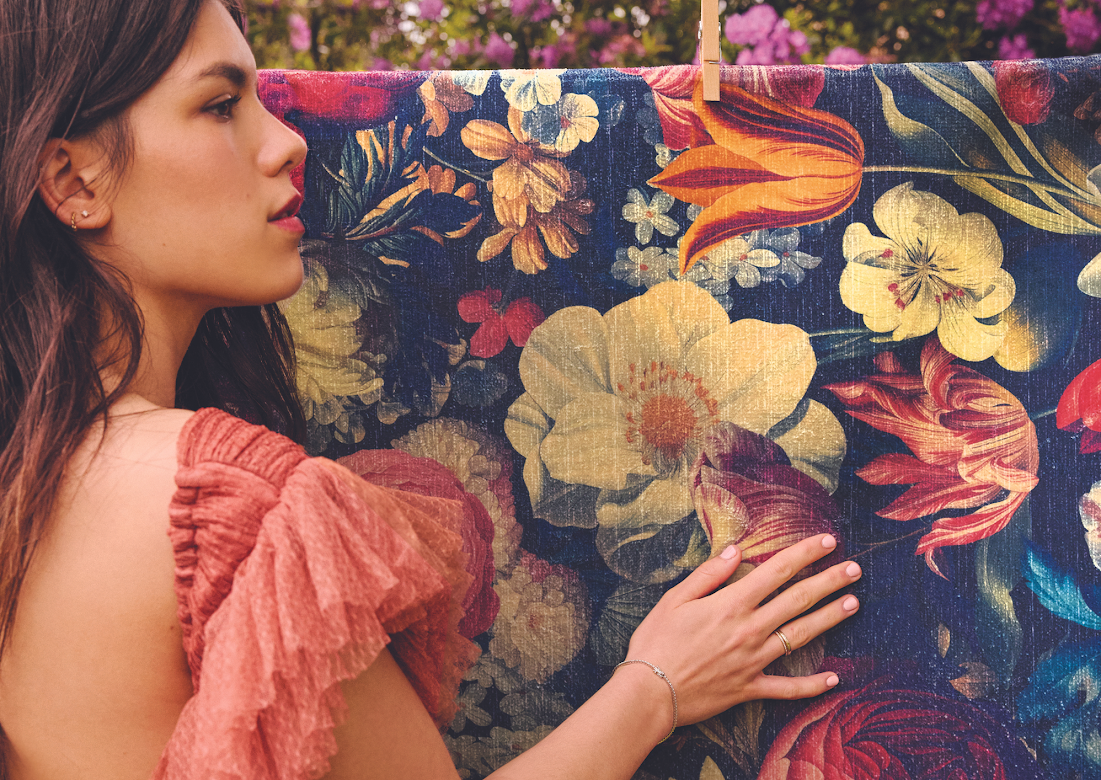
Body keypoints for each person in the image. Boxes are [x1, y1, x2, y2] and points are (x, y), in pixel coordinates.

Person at [0, 1, 863, 778]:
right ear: (74, 182)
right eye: (220, 105)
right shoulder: (230, 506)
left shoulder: (32, 478)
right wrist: (653, 691)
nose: (287, 142)